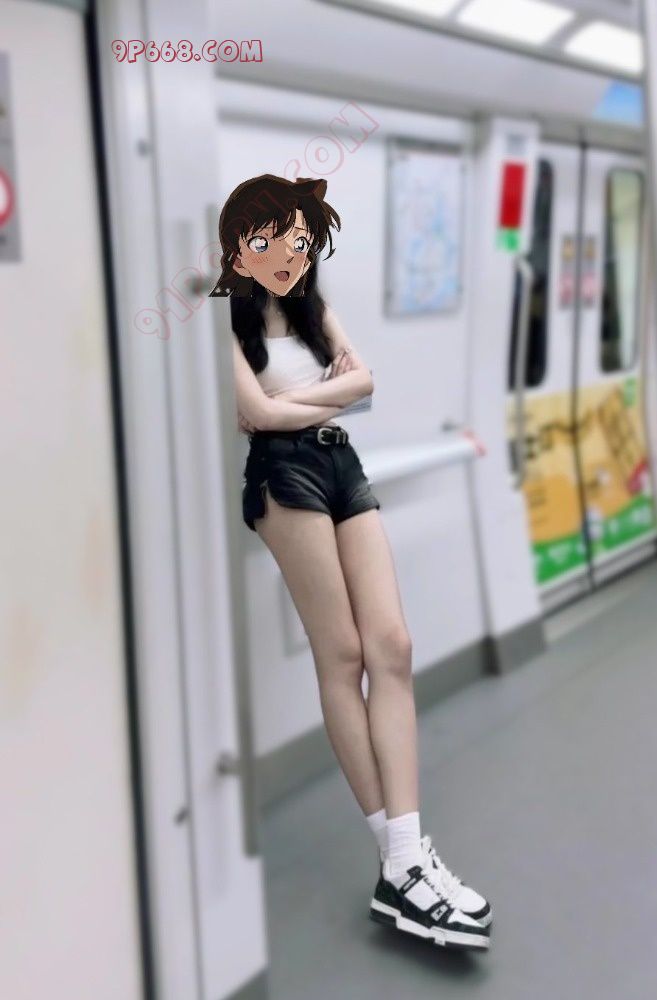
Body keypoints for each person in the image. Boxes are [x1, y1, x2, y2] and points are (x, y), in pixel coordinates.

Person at [210, 174, 492, 950]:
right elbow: (256, 414)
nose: (288, 257)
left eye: (301, 243)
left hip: (341, 463)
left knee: (390, 646)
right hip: (282, 475)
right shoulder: (221, 321)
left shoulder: (312, 307)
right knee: (341, 656)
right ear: (238, 247)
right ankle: (403, 865)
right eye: (271, 242)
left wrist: (298, 407)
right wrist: (321, 399)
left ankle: (405, 860)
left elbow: (363, 383)